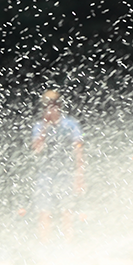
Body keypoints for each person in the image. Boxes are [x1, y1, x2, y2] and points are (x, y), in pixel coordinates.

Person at [31, 89, 84, 243]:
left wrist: (79, 175)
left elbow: (78, 150)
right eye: (47, 106)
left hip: (65, 173)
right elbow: (37, 149)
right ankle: (44, 245)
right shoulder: (39, 126)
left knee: (67, 211)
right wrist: (45, 127)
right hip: (45, 174)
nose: (51, 109)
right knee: (44, 211)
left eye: (53, 105)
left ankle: (68, 244)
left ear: (59, 105)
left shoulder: (70, 124)